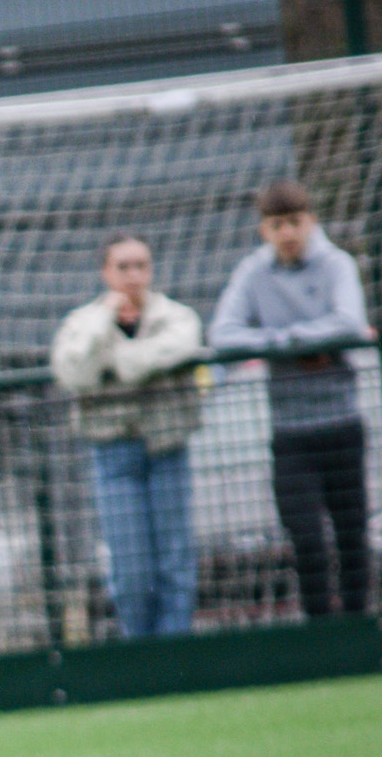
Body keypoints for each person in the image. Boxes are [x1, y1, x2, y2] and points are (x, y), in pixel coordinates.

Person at [209, 179, 376, 618]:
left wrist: (293, 340)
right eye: (277, 224)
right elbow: (223, 335)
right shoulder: (252, 273)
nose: (288, 233)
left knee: (351, 534)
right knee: (306, 537)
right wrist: (290, 345)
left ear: (311, 221)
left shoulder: (336, 264)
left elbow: (350, 323)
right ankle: (319, 630)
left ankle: (358, 627)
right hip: (290, 433)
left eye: (295, 222)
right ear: (265, 229)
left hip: (341, 424)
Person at [50, 233, 205, 638]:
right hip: (113, 453)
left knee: (175, 560)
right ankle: (142, 653)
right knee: (131, 568)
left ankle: (176, 654)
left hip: (167, 448)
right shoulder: (83, 322)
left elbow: (181, 347)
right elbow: (73, 373)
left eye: (141, 266)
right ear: (106, 272)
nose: (133, 276)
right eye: (123, 267)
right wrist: (104, 322)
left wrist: (115, 366)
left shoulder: (175, 315)